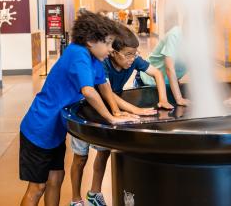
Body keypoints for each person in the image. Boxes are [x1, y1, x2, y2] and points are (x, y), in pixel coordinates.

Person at [19, 11, 137, 206]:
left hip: (55, 132)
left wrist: (119, 112)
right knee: (37, 187)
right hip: (38, 129)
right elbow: (89, 91)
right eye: (107, 43)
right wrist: (111, 118)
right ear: (91, 40)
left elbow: (104, 87)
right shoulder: (78, 54)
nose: (110, 49)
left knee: (56, 179)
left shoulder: (94, 59)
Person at [70, 24, 168, 206]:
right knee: (80, 157)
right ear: (113, 52)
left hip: (110, 111)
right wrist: (135, 110)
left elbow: (157, 74)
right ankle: (76, 199)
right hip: (87, 109)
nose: (133, 59)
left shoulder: (133, 60)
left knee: (104, 151)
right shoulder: (103, 63)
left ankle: (94, 193)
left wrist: (163, 99)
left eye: (135, 54)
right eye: (128, 54)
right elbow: (107, 93)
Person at [137, 25, 189, 106]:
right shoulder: (175, 35)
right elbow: (169, 68)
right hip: (149, 80)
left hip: (168, 83)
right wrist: (179, 99)